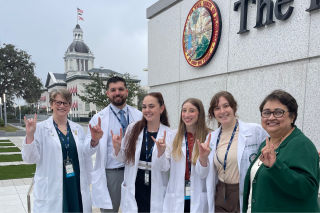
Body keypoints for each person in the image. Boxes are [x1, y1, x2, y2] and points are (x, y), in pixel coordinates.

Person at [243, 90, 320, 212]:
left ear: (292, 117)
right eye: (266, 112)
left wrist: (275, 166)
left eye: (278, 112)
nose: (271, 117)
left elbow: (307, 189)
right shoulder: (267, 142)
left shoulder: (301, 144)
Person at [196, 91, 269, 213]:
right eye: (217, 108)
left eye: (226, 106)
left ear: (233, 107)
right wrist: (203, 158)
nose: (222, 111)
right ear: (213, 113)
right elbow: (202, 174)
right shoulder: (212, 138)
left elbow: (271, 153)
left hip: (244, 191)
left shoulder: (255, 131)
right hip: (221, 193)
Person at [22, 88, 93, 213]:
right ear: (51, 104)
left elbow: (85, 156)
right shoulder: (40, 128)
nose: (62, 106)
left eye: (65, 103)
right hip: (52, 185)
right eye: (58, 102)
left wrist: (88, 181)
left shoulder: (78, 129)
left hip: (75, 183)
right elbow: (30, 159)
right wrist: (30, 135)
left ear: (70, 105)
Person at [83, 76, 142, 212]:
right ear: (107, 93)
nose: (117, 93)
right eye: (113, 90)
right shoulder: (98, 119)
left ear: (127, 92)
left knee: (136, 209)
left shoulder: (138, 116)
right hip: (112, 174)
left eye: (121, 89)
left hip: (134, 171)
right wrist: (94, 140)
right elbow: (86, 151)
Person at [111, 92, 171, 213]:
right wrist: (117, 148)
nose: (147, 110)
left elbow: (165, 167)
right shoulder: (133, 128)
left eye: (151, 106)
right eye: (144, 107)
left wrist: (160, 153)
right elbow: (125, 159)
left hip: (155, 187)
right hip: (135, 184)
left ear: (161, 108)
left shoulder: (169, 134)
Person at [153, 98, 212, 213]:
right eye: (184, 110)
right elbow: (163, 167)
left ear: (199, 113)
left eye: (192, 110)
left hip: (199, 193)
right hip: (177, 194)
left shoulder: (209, 136)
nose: (187, 114)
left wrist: (203, 158)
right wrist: (160, 152)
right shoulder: (172, 136)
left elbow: (204, 173)